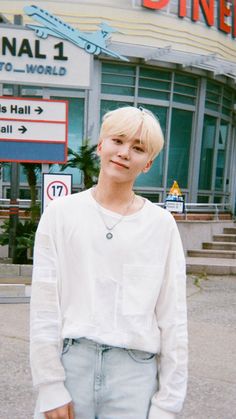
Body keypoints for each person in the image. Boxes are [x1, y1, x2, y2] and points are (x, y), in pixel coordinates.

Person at [30, 106, 188, 419]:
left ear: (148, 164)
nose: (125, 153)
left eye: (138, 148)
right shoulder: (61, 214)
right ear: (102, 145)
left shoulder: (161, 225)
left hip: (135, 375)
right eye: (118, 140)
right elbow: (45, 305)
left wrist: (167, 405)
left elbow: (173, 317)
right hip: (71, 363)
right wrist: (50, 386)